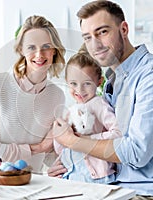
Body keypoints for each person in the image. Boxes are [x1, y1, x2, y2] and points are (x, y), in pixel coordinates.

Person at [49, 1, 153, 199]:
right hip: (117, 189)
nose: (94, 44)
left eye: (102, 32)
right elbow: (105, 140)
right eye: (88, 37)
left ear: (124, 29)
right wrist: (69, 162)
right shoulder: (114, 81)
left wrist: (72, 142)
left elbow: (135, 153)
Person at [0, 15, 66, 172]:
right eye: (31, 47)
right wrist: (37, 148)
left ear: (54, 50)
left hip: (34, 184)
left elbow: (50, 151)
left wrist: (58, 166)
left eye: (46, 46)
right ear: (21, 50)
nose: (39, 54)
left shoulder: (57, 95)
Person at [53, 48, 122, 184]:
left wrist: (87, 139)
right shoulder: (71, 110)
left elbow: (118, 134)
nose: (79, 90)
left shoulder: (99, 105)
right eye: (73, 84)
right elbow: (63, 147)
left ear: (99, 82)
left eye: (87, 84)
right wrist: (58, 136)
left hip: (97, 176)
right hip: (73, 173)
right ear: (67, 82)